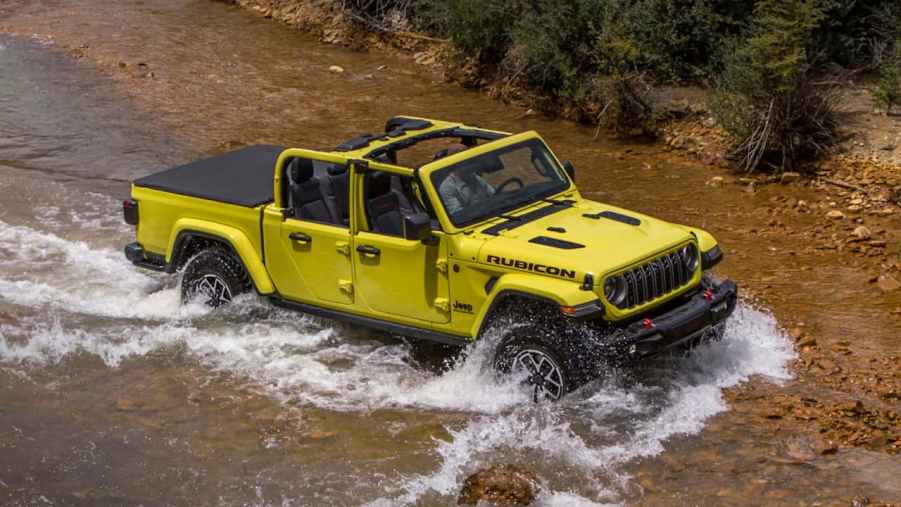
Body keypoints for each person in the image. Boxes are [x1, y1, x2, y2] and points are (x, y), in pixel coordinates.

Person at [435, 145, 496, 216]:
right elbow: (458, 215)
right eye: (466, 162)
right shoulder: (447, 188)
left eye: (470, 161)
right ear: (455, 164)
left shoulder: (474, 177)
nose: (471, 164)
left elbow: (493, 195)